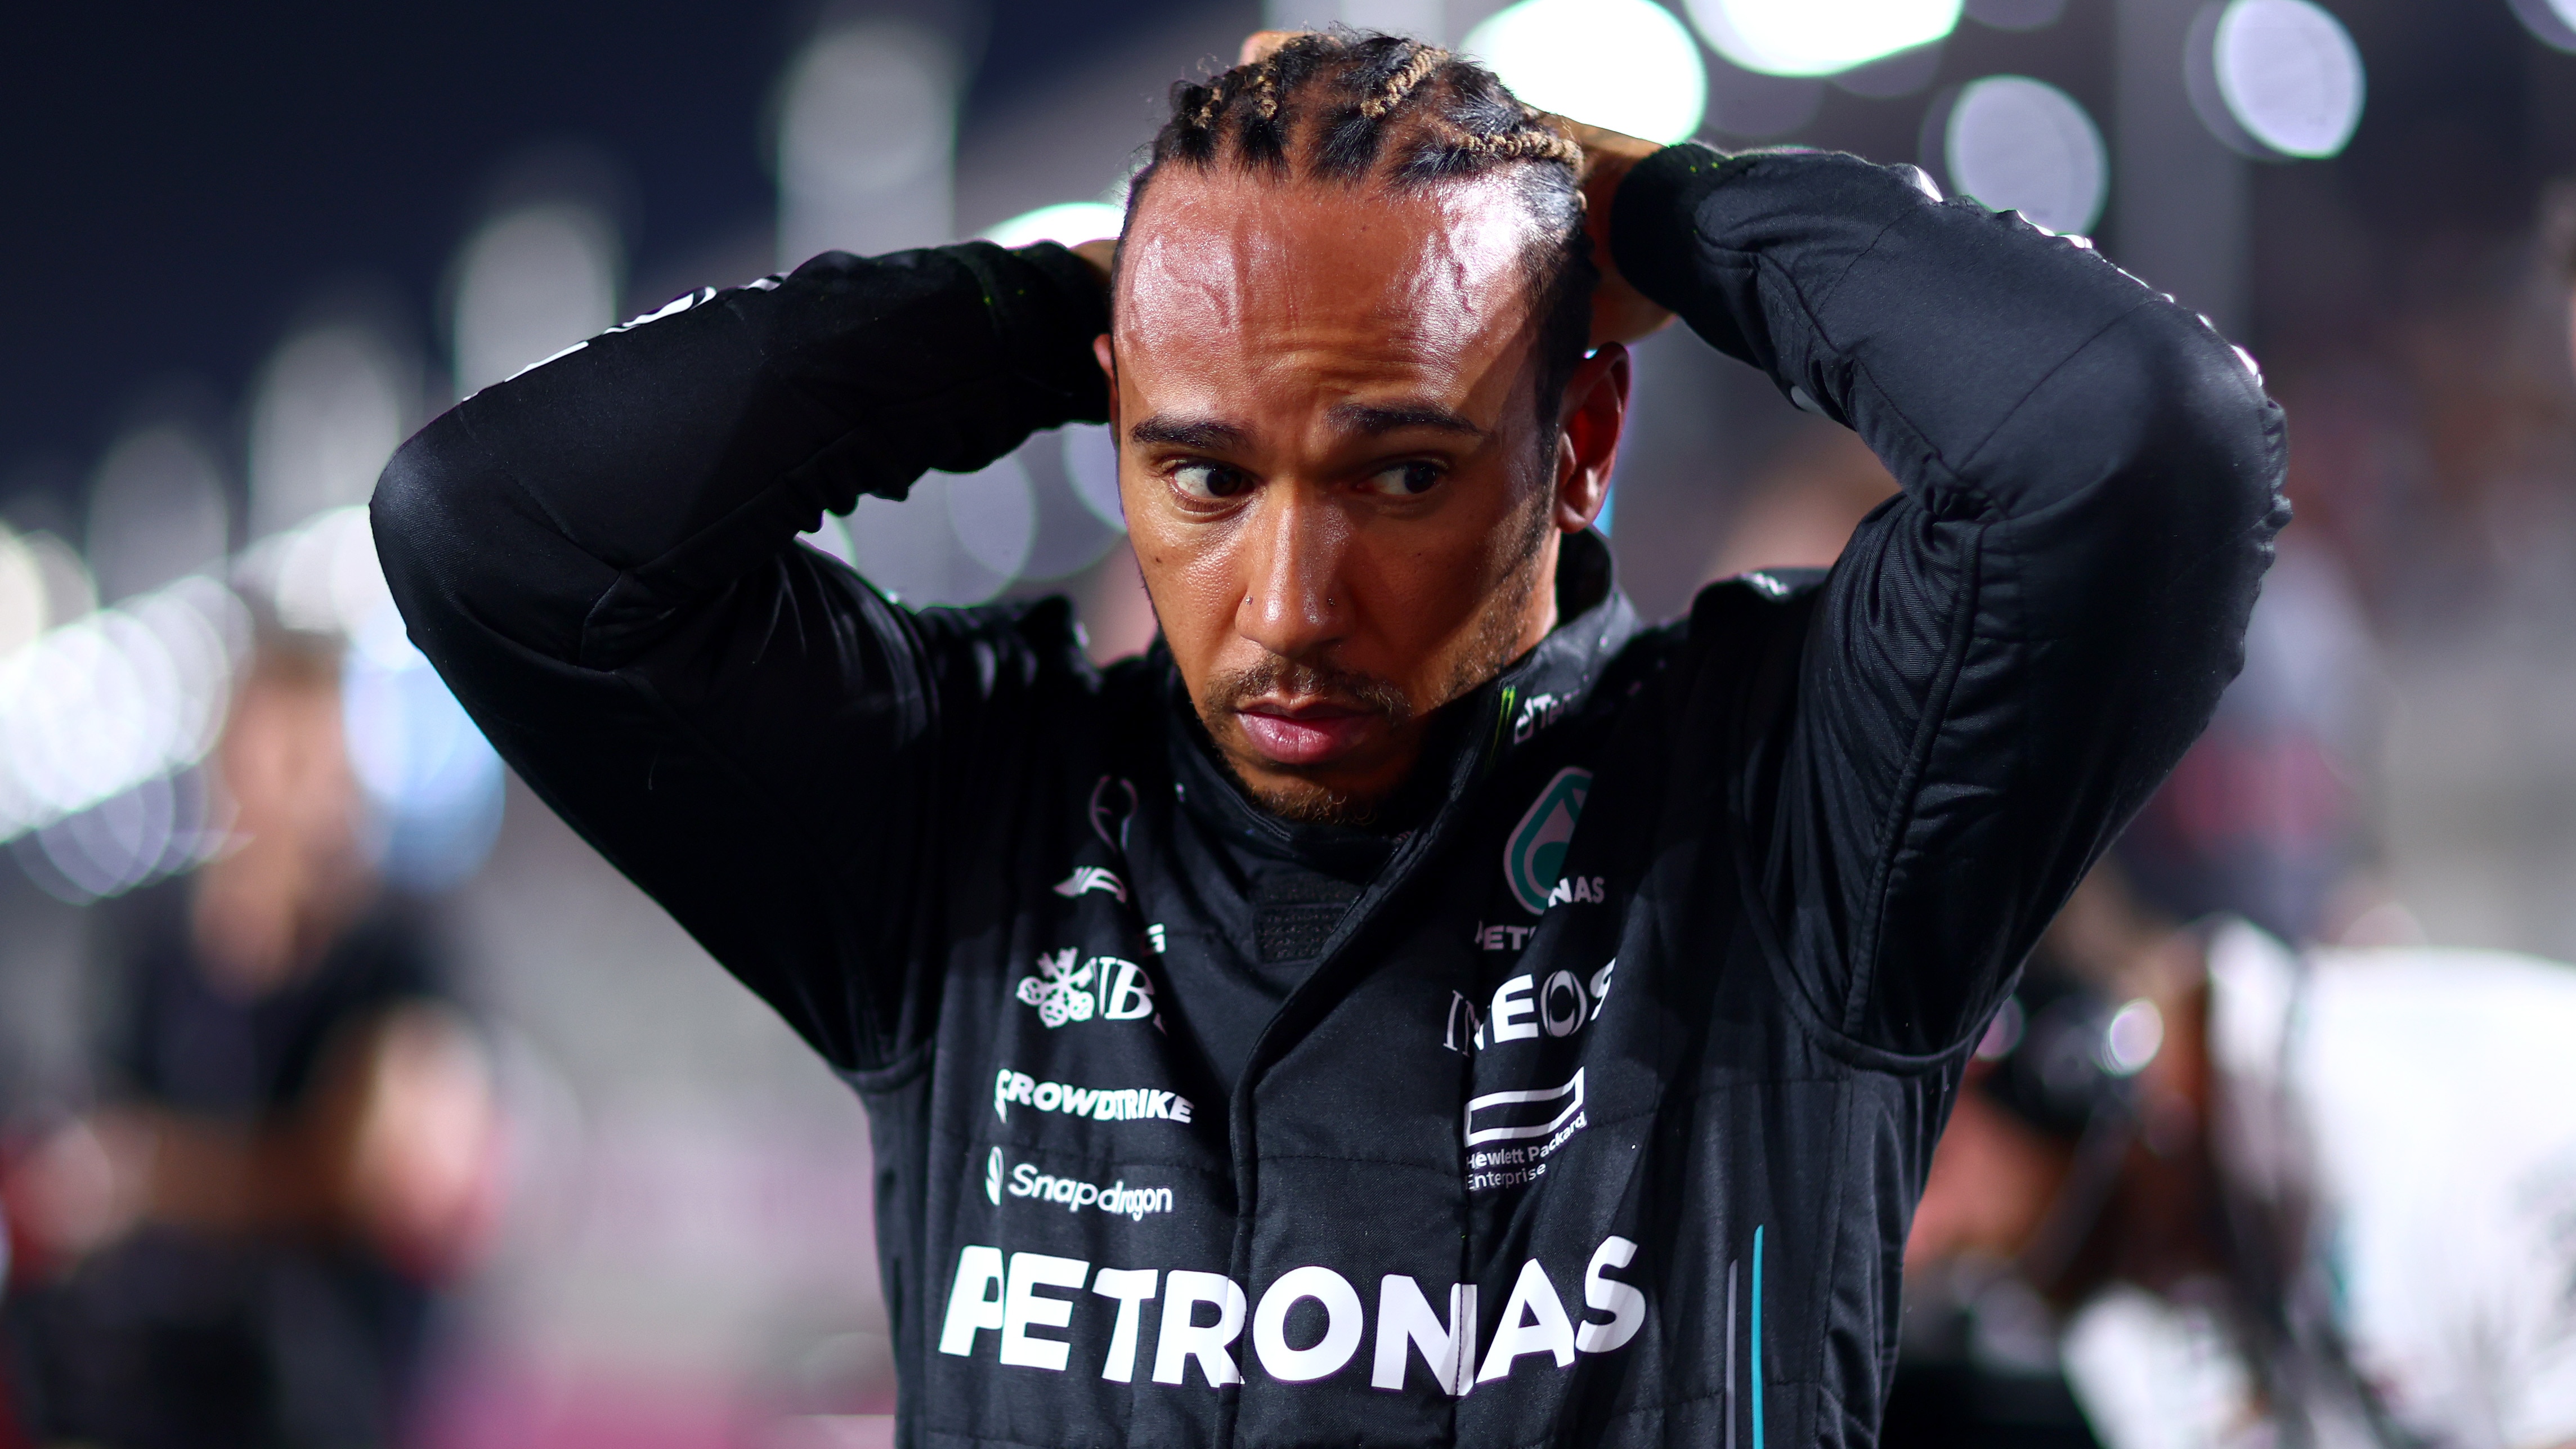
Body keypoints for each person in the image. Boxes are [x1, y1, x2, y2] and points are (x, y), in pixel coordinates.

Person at [370, 28, 2282, 1447]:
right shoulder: (956, 815)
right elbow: (499, 529)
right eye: (1200, 469)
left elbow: (2137, 439)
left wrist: (1639, 204)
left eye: (1398, 468)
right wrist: (1081, 302)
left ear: (1580, 437)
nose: (1286, 601)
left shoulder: (1789, 808)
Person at [1893, 558, 2576, 1449]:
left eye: (1930, 1174)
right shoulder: (2123, 1286)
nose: (1916, 1241)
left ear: (2061, 1057)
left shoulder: (2494, 1139)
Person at [0, 629, 499, 1449]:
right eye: (283, 760)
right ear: (231, 762)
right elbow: (96, 1148)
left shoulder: (399, 953)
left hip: (324, 1371)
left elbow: (362, 1176)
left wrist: (162, 1176)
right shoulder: (151, 941)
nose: (306, 796)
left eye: (322, 762)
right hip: (156, 1367)